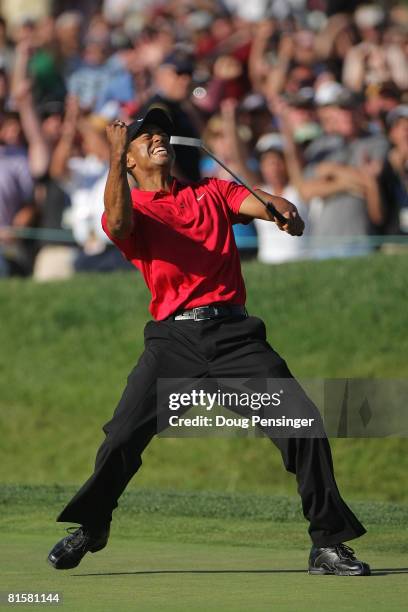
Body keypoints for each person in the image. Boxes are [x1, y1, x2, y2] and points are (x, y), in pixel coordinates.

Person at [47, 107, 370, 576]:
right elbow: (116, 223)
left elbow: (260, 203)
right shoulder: (131, 206)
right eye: (145, 138)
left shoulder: (211, 192)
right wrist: (114, 159)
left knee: (305, 424)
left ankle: (328, 543)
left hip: (235, 337)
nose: (158, 138)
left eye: (161, 133)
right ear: (129, 161)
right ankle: (93, 526)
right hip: (174, 340)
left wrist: (282, 209)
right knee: (121, 438)